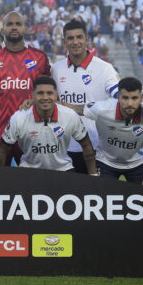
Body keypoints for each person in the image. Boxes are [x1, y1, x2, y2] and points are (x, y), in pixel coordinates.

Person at [0, 11, 51, 163]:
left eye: (18, 24)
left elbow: (49, 93)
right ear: (2, 30)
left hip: (31, 130)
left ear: (25, 29)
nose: (14, 27)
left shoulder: (39, 57)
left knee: (32, 181)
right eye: (9, 24)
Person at [52, 19, 120, 174]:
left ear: (87, 39)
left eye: (79, 37)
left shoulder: (104, 68)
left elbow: (120, 95)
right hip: (64, 147)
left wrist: (141, 98)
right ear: (64, 41)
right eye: (70, 38)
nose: (75, 42)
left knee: (94, 195)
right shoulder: (56, 69)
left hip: (97, 146)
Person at [0, 76, 96, 173]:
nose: (45, 97)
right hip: (29, 170)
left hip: (63, 170)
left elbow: (86, 145)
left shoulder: (70, 115)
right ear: (33, 95)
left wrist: (93, 175)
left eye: (49, 93)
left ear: (56, 94)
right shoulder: (18, 117)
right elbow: (3, 149)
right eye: (40, 93)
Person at [83, 77, 143, 187]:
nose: (130, 103)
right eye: (125, 98)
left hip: (138, 163)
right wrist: (55, 104)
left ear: (141, 98)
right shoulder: (101, 109)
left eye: (134, 98)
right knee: (102, 199)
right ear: (118, 97)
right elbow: (76, 109)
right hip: (105, 162)